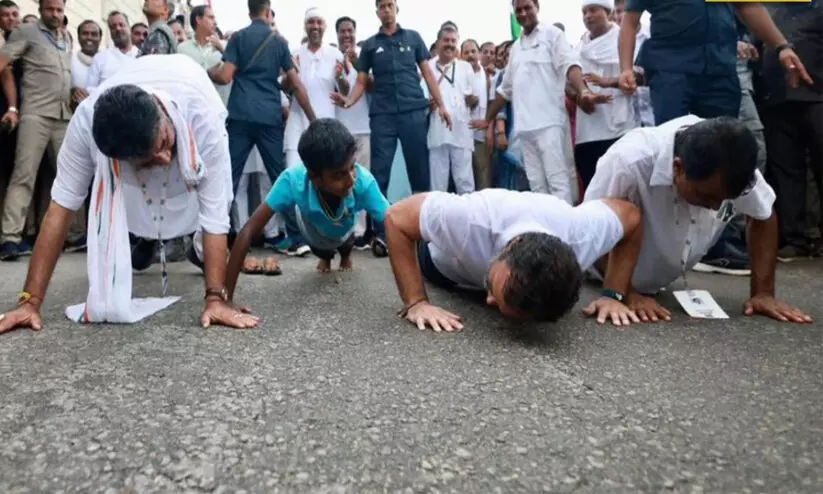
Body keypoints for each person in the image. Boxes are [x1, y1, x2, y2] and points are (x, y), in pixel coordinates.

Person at [0, 54, 259, 335]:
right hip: (130, 116)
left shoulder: (203, 120)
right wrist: (30, 301)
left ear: (162, 114)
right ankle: (145, 240)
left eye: (164, 142)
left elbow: (215, 218)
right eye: (148, 161)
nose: (164, 158)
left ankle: (195, 250)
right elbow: (60, 209)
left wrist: (215, 299)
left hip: (189, 81)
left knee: (212, 200)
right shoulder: (85, 125)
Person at [584, 115, 812, 323]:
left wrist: (764, 293)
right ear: (678, 168)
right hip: (598, 274)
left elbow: (763, 214)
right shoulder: (629, 161)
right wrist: (624, 292)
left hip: (657, 279)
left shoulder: (733, 163)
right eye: (707, 196)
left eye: (726, 200)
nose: (715, 207)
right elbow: (598, 228)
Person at [383, 189, 643, 332]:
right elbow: (396, 218)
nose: (487, 301)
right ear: (513, 245)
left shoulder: (582, 235)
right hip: (442, 265)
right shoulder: (471, 219)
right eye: (495, 290)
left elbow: (630, 216)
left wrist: (614, 294)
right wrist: (416, 302)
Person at [225, 119, 390, 301]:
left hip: (345, 226)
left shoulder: (363, 182)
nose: (351, 179)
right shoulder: (292, 181)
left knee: (345, 240)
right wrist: (225, 299)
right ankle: (325, 256)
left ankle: (345, 255)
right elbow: (248, 230)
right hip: (312, 226)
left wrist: (415, 299)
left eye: (352, 168)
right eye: (339, 175)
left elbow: (395, 223)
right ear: (314, 177)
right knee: (321, 247)